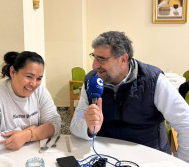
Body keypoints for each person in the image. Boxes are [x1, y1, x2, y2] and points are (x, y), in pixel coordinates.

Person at [70, 31, 189, 163]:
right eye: (94, 57)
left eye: (102, 59)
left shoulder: (153, 81)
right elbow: (75, 125)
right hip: (106, 158)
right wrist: (87, 127)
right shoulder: (91, 81)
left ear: (123, 59)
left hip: (150, 159)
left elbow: (185, 122)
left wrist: (182, 162)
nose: (94, 65)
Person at [0, 51, 61, 152]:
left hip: (34, 154)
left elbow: (55, 123)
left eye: (38, 78)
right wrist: (29, 131)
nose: (34, 84)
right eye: (29, 76)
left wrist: (27, 135)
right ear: (12, 72)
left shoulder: (40, 92)